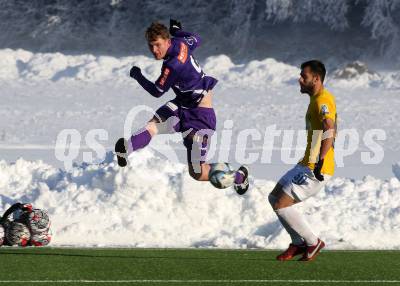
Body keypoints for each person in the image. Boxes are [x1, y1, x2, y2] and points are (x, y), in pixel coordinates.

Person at [115, 20, 249, 194]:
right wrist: (178, 31)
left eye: (157, 45)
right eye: (151, 46)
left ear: (167, 41)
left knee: (198, 172)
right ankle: (126, 148)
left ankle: (240, 176)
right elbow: (196, 38)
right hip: (181, 105)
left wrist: (138, 75)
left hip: (200, 117)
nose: (154, 50)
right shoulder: (182, 42)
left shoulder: (172, 65)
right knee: (153, 125)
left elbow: (157, 91)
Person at [268, 60, 337, 261]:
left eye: (303, 76)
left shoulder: (322, 101)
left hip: (315, 167)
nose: (300, 79)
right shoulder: (316, 100)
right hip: (305, 162)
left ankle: (313, 242)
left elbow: (329, 129)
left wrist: (320, 161)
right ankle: (298, 243)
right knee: (274, 198)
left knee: (281, 204)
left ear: (316, 79)